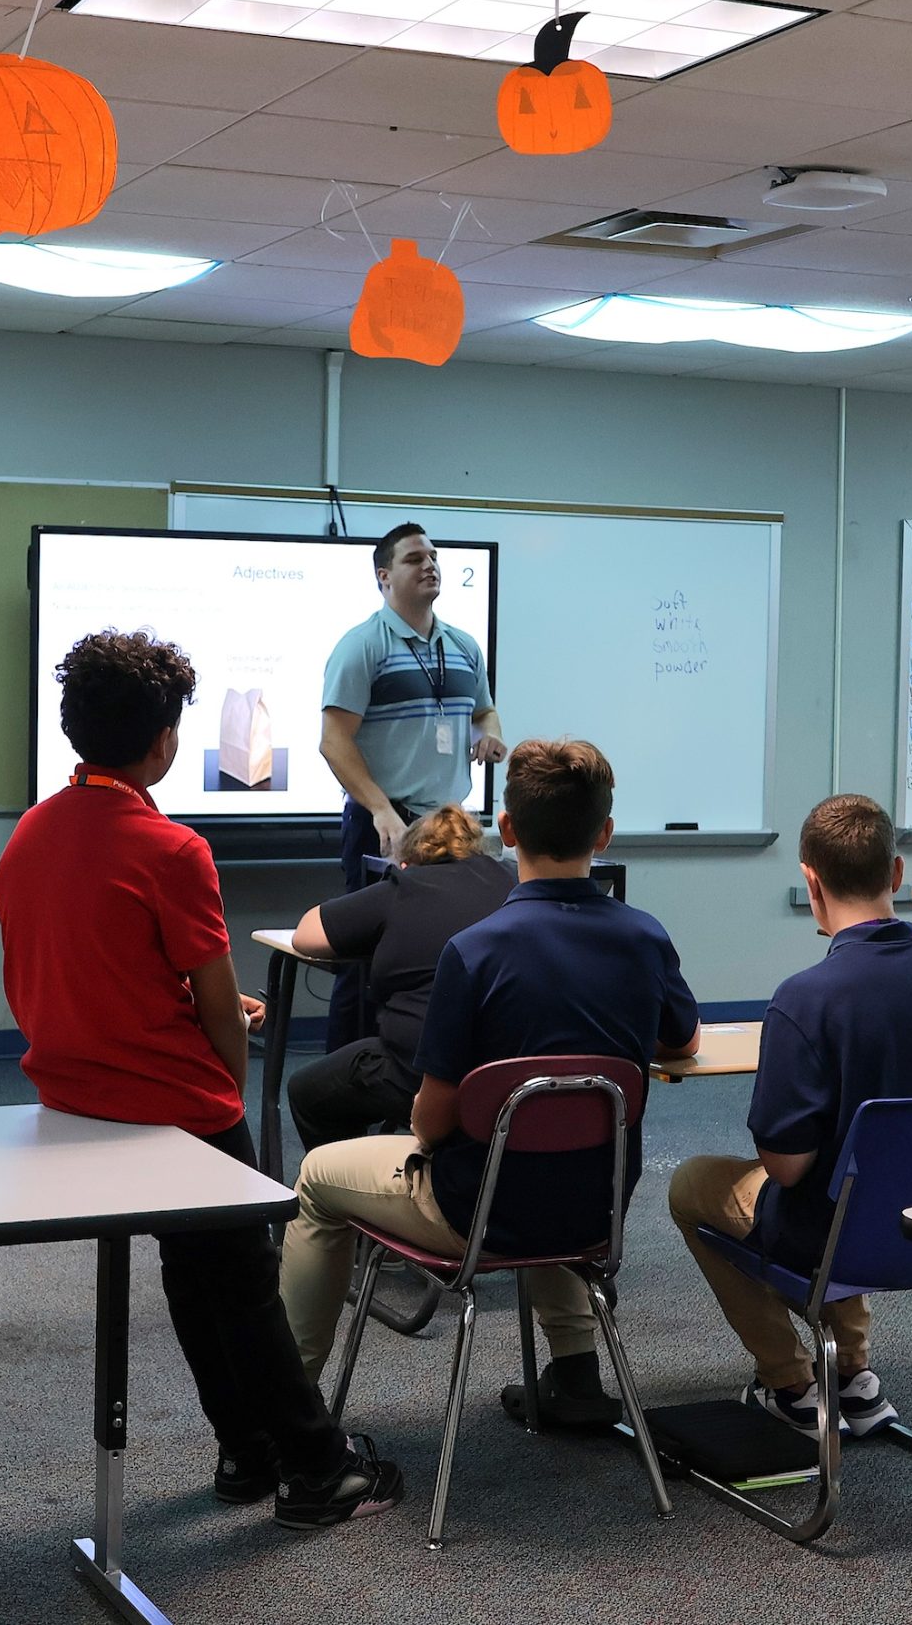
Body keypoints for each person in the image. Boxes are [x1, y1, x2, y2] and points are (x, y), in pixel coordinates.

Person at [0, 629, 403, 1530]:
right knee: (246, 1280)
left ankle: (242, 1448)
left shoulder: (29, 833)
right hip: (171, 1109)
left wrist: (188, 1014)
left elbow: (85, 970)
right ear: (164, 743)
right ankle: (314, 1464)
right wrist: (222, 1093)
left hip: (73, 1097)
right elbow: (222, 1014)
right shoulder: (171, 848)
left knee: (195, 1272)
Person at [279, 739, 699, 1428]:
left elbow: (435, 1122)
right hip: (598, 1204)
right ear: (604, 834)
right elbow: (681, 1042)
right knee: (551, 1158)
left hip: (476, 1208)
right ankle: (576, 1375)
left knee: (320, 1176)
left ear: (505, 831)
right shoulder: (645, 937)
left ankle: (288, 1415)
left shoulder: (475, 952)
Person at [669, 794, 912, 1437]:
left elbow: (787, 1166)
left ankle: (792, 1384)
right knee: (858, 1171)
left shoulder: (804, 999)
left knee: (692, 1184)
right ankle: (853, 1375)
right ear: (897, 874)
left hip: (841, 1237)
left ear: (811, 878)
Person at [319, 523, 504, 1045]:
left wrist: (489, 735)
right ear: (384, 577)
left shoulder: (463, 646)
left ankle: (429, 1075)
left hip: (450, 824)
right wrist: (380, 809)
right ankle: (348, 1078)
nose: (430, 566)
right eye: (413, 559)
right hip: (387, 819)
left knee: (449, 947)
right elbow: (334, 741)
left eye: (434, 557)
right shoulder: (362, 647)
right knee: (366, 956)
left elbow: (486, 712)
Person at [285, 803, 514, 1151]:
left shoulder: (404, 884)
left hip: (421, 1072)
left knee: (308, 1091)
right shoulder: (511, 878)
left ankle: (345, 1183)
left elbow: (306, 934)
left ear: (407, 861)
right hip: (512, 1065)